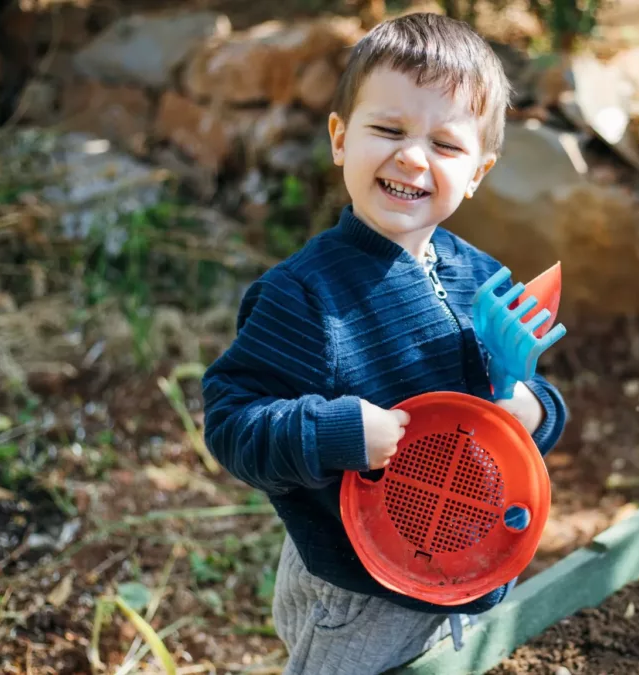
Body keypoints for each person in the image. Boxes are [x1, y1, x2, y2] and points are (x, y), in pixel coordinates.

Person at [200, 12, 569, 675]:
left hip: (463, 558)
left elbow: (523, 395)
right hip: (363, 587)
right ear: (341, 138)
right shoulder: (306, 296)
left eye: (446, 145)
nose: (412, 157)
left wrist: (533, 409)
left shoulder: (483, 278)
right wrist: (341, 430)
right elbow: (233, 422)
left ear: (479, 171)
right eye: (389, 130)